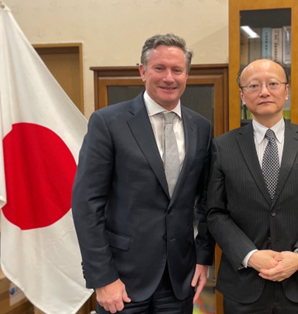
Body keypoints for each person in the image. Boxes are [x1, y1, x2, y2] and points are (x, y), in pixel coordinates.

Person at [72, 33, 214, 314]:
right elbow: (87, 204)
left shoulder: (202, 127)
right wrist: (103, 278)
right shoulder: (108, 122)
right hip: (122, 280)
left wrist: (203, 258)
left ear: (187, 74)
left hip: (178, 280)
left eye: (177, 70)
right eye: (159, 68)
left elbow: (206, 201)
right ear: (142, 71)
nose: (169, 78)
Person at [206, 59, 298, 314]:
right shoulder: (222, 147)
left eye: (272, 84)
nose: (264, 91)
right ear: (242, 95)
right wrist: (250, 255)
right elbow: (215, 213)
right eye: (254, 85)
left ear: (286, 91)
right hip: (244, 283)